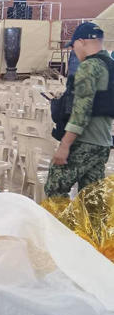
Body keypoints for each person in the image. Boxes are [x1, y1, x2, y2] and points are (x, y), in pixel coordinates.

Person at [45, 22, 113, 198]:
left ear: (82, 41)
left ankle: (57, 226)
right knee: (92, 200)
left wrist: (65, 145)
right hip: (103, 142)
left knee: (55, 188)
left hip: (84, 141)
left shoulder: (89, 66)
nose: (74, 50)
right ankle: (89, 227)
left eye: (73, 45)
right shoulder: (110, 65)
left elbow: (81, 110)